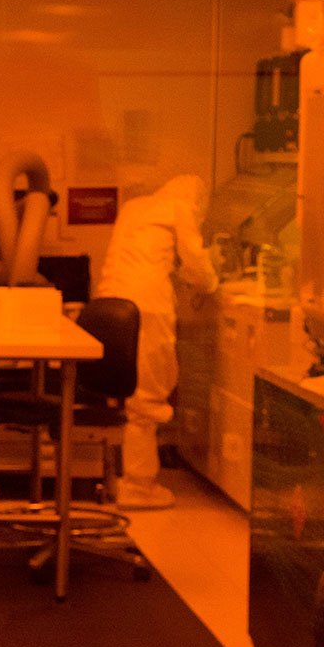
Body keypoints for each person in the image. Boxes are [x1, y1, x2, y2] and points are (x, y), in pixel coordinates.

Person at [93, 174, 219, 510]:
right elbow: (195, 261)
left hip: (110, 304)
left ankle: (129, 476)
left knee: (128, 392)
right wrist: (211, 282)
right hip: (147, 307)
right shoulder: (181, 208)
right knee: (146, 397)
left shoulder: (136, 207)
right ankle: (139, 485)